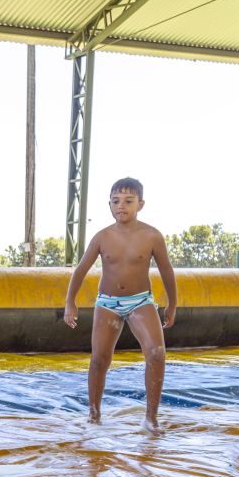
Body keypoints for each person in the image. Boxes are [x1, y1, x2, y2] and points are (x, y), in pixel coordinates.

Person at [63, 177, 177, 436]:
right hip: (108, 303)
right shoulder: (102, 237)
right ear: (109, 205)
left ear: (141, 204)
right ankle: (94, 415)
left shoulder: (152, 236)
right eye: (115, 201)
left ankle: (151, 418)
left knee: (157, 353)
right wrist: (70, 301)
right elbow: (81, 269)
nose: (121, 206)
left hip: (141, 301)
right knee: (99, 359)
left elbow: (167, 271)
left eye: (128, 201)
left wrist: (172, 304)